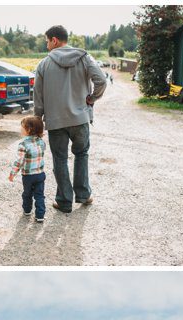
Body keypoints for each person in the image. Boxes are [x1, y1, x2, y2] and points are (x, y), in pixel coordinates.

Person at [34, 25, 107, 213]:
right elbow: (102, 80)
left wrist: (38, 118)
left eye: (47, 41)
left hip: (56, 121)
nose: (47, 45)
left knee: (60, 159)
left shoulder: (43, 64)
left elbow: (38, 96)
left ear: (55, 40)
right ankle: (83, 195)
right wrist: (91, 99)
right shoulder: (84, 58)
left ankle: (64, 201)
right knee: (81, 154)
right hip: (80, 119)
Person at [8, 115, 46, 222]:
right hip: (40, 174)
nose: (20, 129)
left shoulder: (23, 144)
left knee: (27, 193)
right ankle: (40, 216)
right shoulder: (42, 142)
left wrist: (12, 173)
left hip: (28, 176)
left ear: (29, 129)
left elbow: (19, 161)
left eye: (22, 127)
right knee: (39, 195)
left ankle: (27, 210)